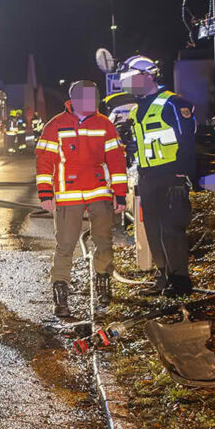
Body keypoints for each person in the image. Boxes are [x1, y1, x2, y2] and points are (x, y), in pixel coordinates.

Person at [36, 80, 127, 319]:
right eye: (88, 98)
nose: (93, 102)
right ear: (74, 100)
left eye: (95, 98)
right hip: (68, 194)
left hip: (99, 191)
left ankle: (103, 284)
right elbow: (44, 161)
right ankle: (60, 294)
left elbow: (116, 161)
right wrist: (45, 192)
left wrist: (120, 193)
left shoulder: (105, 124)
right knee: (65, 245)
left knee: (104, 241)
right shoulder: (55, 125)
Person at [119, 55, 197, 297]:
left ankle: (180, 281)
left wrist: (182, 175)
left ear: (148, 76)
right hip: (148, 177)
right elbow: (140, 145)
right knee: (153, 229)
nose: (128, 85)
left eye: (131, 79)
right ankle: (164, 276)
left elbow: (187, 140)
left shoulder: (173, 103)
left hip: (171, 175)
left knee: (172, 230)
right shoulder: (137, 110)